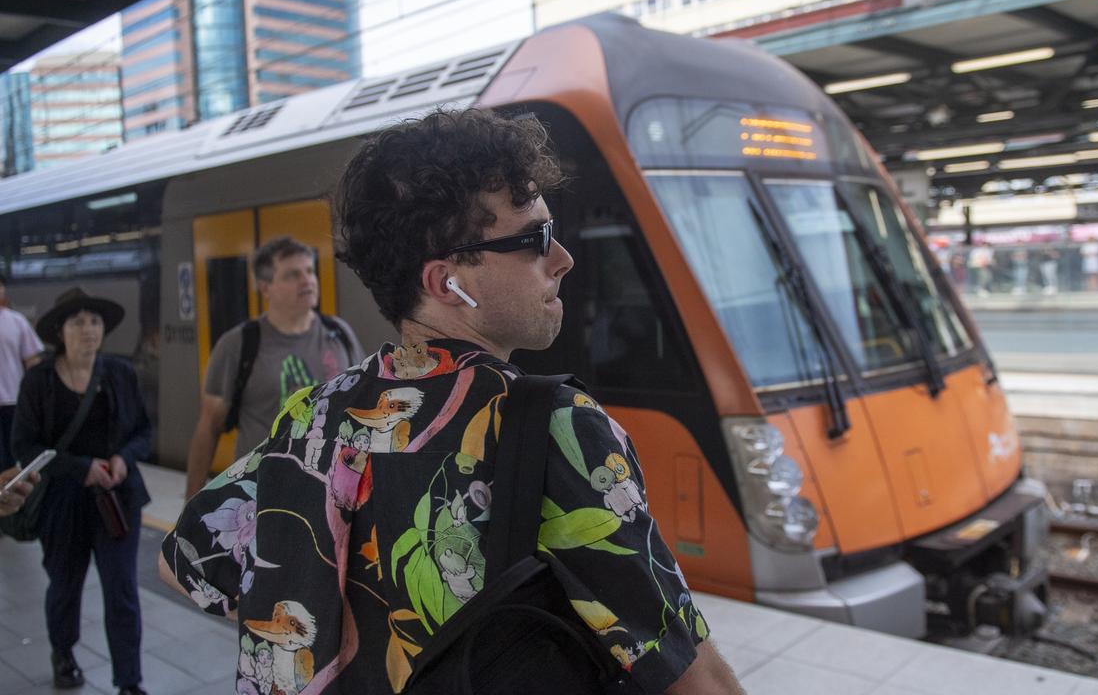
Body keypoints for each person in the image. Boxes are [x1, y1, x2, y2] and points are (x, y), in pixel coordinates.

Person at [159, 109, 742, 694]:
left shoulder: (311, 416)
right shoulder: (555, 427)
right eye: (535, 238)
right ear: (446, 283)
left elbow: (178, 562)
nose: (562, 257)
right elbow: (694, 679)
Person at [11, 287, 151, 695]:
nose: (88, 329)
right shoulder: (39, 381)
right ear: (60, 330)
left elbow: (143, 431)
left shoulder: (120, 373)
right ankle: (64, 653)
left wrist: (124, 457)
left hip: (118, 500)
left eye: (95, 321)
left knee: (122, 590)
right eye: (78, 321)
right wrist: (82, 468)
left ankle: (129, 681)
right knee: (65, 586)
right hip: (62, 501)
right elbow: (25, 445)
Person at [184, 236, 364, 498]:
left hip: (331, 491)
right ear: (265, 288)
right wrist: (191, 502)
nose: (307, 280)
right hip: (262, 493)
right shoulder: (239, 345)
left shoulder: (339, 333)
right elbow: (209, 425)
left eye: (309, 271)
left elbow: (361, 403)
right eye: (292, 275)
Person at [0, 273, 45, 472]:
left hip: (13, 401)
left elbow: (32, 360)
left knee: (10, 458)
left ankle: (6, 499)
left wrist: (37, 397)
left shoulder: (16, 321)